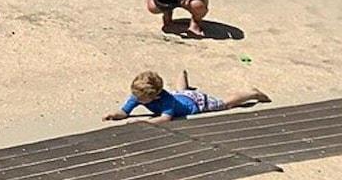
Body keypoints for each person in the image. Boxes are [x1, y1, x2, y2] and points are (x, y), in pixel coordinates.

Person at [104, 70, 267, 123]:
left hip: (196, 103)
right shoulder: (138, 95)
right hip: (181, 96)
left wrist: (143, 122)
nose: (136, 100)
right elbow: (124, 112)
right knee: (181, 91)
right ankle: (182, 74)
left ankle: (251, 93)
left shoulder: (166, 100)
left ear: (155, 96)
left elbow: (166, 118)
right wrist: (115, 115)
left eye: (141, 99)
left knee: (224, 103)